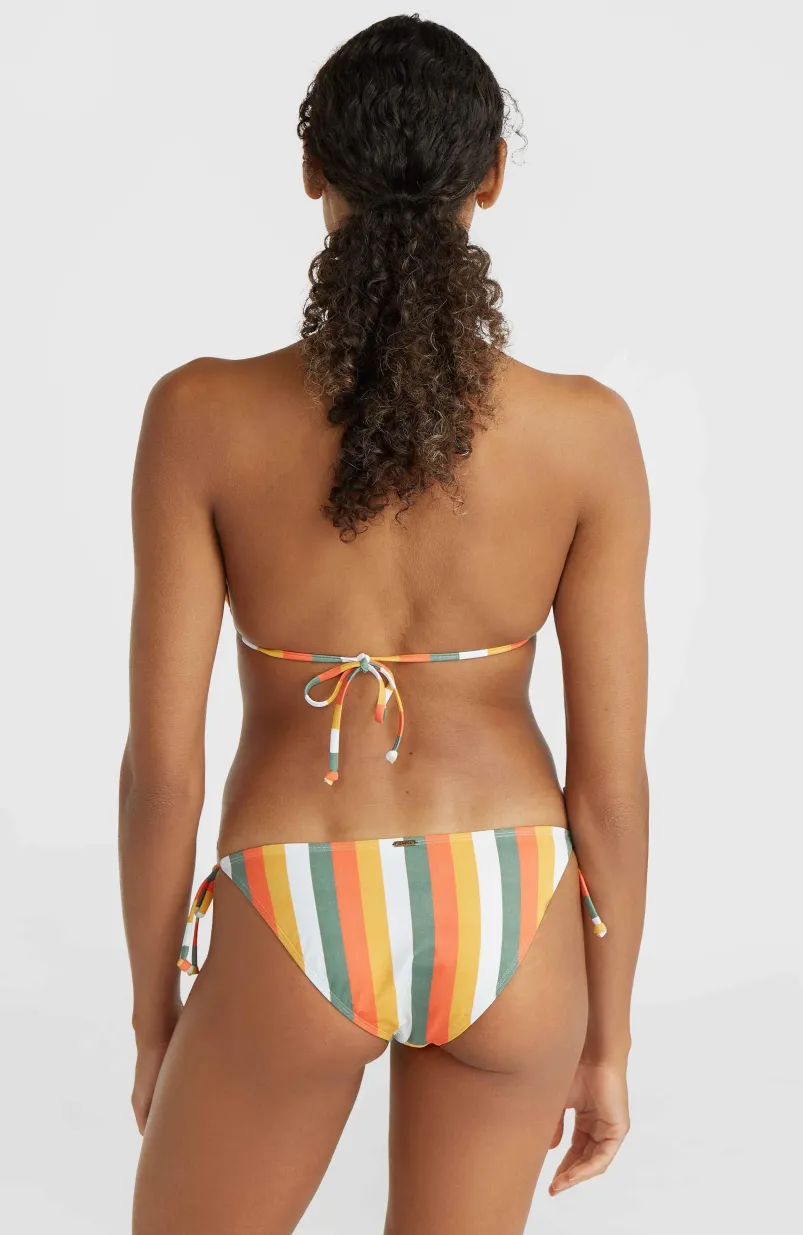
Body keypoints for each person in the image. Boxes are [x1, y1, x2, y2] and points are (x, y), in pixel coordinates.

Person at [120, 14, 649, 1235]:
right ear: (490, 177)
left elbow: (163, 769)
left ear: (313, 167)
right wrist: (606, 1039)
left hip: (295, 893)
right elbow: (610, 787)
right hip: (513, 900)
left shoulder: (199, 415)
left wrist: (154, 1013)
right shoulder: (585, 433)